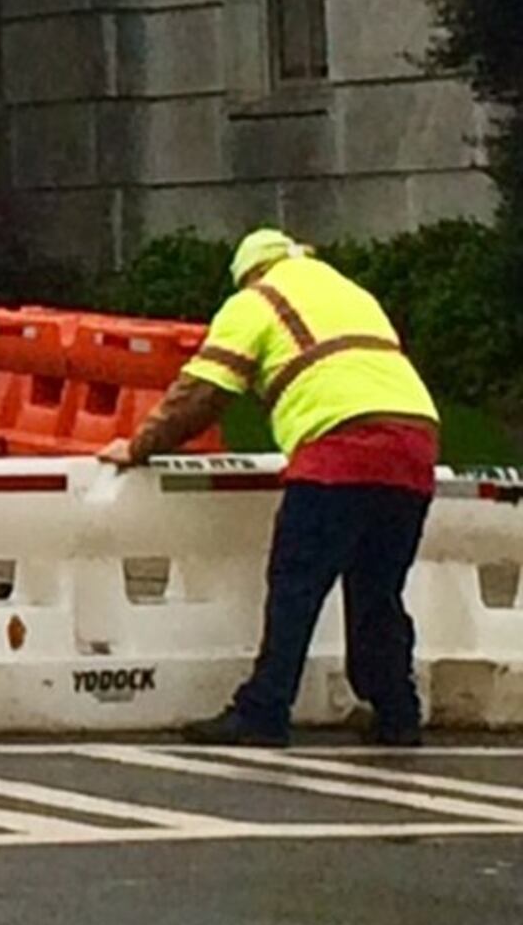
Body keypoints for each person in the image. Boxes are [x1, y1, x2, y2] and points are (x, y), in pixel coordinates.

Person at [103, 226, 441, 747]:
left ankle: (264, 709)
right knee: (378, 589)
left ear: (248, 274)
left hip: (339, 445)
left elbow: (202, 394)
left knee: (296, 584)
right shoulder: (351, 293)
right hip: (416, 442)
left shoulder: (256, 301)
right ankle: (397, 710)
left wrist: (139, 445)